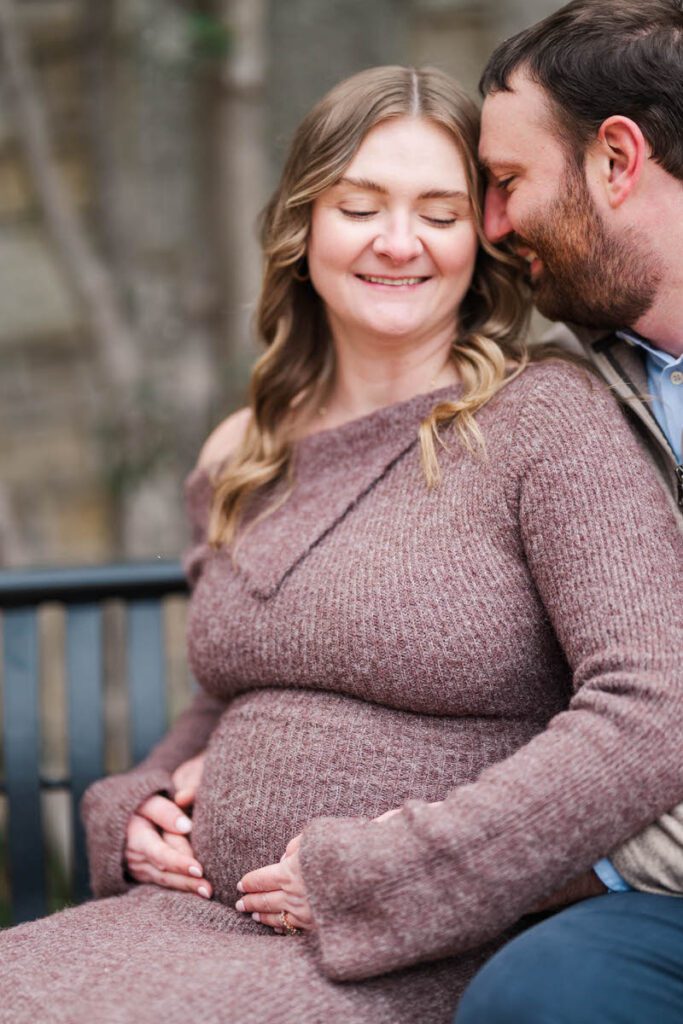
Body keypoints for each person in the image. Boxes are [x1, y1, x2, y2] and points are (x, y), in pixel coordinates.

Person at [1, 64, 682, 1024]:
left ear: (480, 239)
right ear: (304, 225)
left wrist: (397, 875)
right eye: (359, 207)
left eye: (440, 214)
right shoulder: (244, 450)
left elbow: (650, 706)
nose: (398, 243)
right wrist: (137, 806)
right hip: (192, 920)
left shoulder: (544, 421)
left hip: (412, 942)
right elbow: (228, 696)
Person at [455, 1, 683, 1020]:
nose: (492, 228)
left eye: (507, 182)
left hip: (631, 859)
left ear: (616, 160)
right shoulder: (567, 387)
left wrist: (543, 863)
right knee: (540, 992)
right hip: (654, 902)